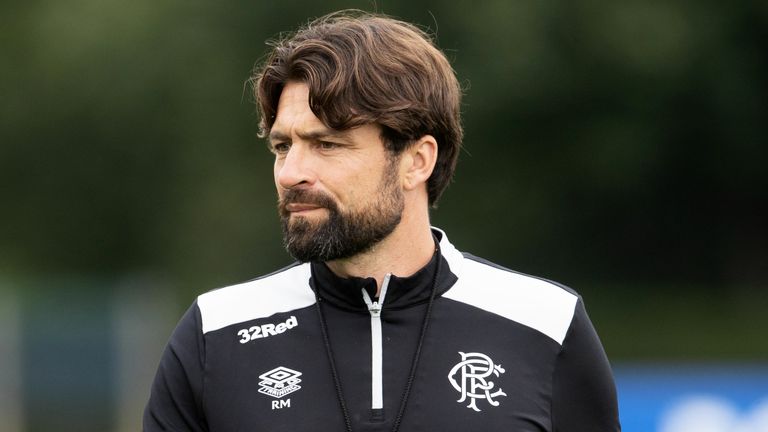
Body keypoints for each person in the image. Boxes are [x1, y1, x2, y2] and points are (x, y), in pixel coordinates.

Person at [144, 10, 620, 432]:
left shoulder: (545, 324)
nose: (290, 174)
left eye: (327, 144)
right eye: (282, 146)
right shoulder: (215, 332)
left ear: (417, 161)